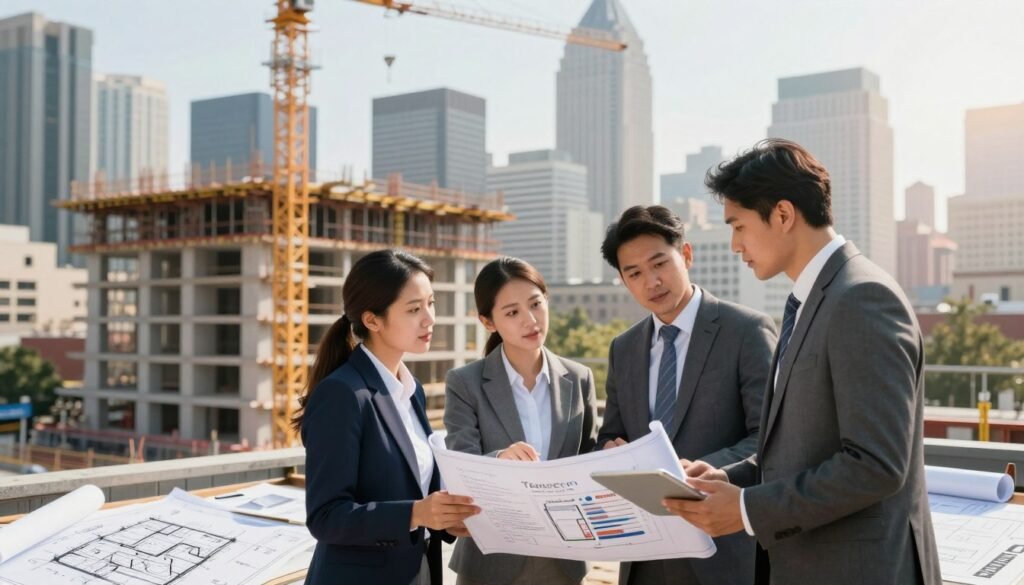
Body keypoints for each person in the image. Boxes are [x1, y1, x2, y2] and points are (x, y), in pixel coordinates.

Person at [664, 139, 941, 584]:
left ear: (783, 215)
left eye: (739, 226)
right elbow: (805, 446)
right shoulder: (812, 300)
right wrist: (727, 477)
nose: (735, 245)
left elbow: (875, 464)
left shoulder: (862, 299)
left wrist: (745, 509)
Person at [597, 205, 777, 585]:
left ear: (687, 255)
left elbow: (771, 438)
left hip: (724, 552)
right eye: (635, 273)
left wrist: (710, 470)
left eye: (659, 263)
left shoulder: (746, 331)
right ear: (624, 281)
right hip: (646, 555)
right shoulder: (623, 348)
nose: (651, 281)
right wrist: (612, 451)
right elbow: (611, 433)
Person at [296, 249, 480, 585]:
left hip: (418, 571)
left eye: (431, 303)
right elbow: (326, 517)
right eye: (413, 309)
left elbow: (414, 485)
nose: (429, 318)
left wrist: (442, 519)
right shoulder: (343, 395)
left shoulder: (411, 390)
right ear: (372, 320)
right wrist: (415, 513)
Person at [443, 256, 598, 585]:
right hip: (490, 563)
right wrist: (501, 459)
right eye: (512, 312)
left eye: (536, 304)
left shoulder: (579, 377)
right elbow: (461, 465)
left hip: (563, 558)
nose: (530, 320)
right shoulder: (465, 383)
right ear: (488, 321)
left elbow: (587, 458)